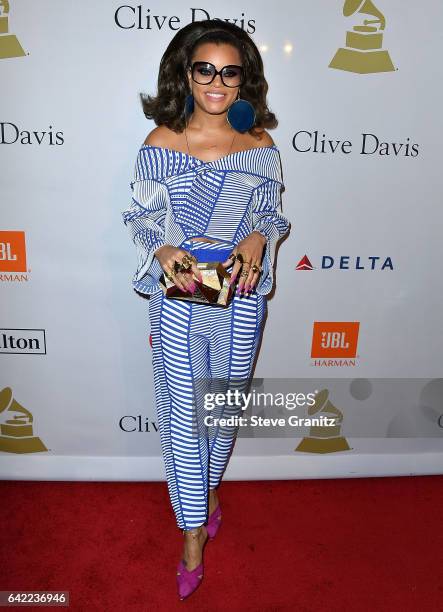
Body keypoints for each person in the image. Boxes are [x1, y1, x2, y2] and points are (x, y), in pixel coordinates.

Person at [121, 19, 291, 600]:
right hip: (182, 290)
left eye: (229, 71)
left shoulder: (260, 145)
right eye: (204, 69)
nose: (216, 82)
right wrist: (166, 248)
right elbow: (142, 220)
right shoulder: (161, 143)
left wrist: (258, 239)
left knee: (221, 405)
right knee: (184, 417)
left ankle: (209, 491)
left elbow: (271, 215)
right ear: (186, 74)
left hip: (239, 291)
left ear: (245, 79)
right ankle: (192, 532)